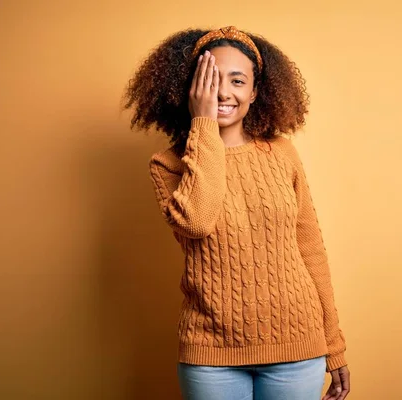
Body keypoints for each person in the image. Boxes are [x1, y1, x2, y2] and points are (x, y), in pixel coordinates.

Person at [124, 26, 350, 400]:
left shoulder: (282, 153)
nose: (224, 92)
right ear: (190, 88)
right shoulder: (168, 165)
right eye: (210, 79)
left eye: (237, 80)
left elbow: (310, 251)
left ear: (255, 91)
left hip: (297, 346)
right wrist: (203, 123)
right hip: (211, 353)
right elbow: (198, 220)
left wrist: (335, 344)